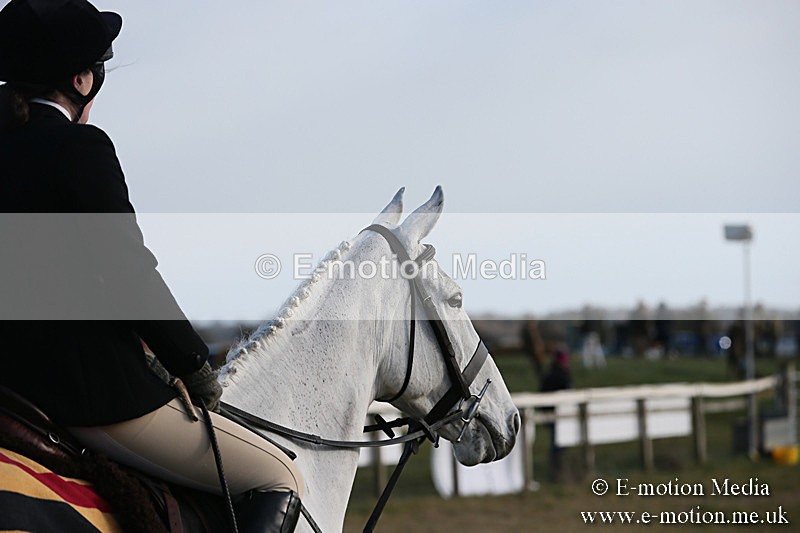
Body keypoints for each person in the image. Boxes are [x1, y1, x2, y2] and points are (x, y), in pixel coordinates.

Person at [0, 1, 303, 531]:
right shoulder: (80, 148)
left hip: (13, 385)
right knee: (277, 477)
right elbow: (125, 271)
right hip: (87, 396)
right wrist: (191, 362)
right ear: (82, 79)